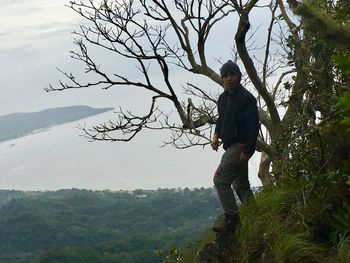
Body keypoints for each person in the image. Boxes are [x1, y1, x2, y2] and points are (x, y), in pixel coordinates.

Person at [211, 60, 259, 233]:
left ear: (238, 76)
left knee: (220, 180)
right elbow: (221, 120)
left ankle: (232, 220)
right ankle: (257, 217)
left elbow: (254, 127)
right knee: (241, 185)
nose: (228, 78)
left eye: (232, 75)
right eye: (225, 75)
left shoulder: (246, 98)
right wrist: (216, 135)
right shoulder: (223, 98)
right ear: (222, 79)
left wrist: (247, 150)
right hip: (230, 144)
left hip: (240, 146)